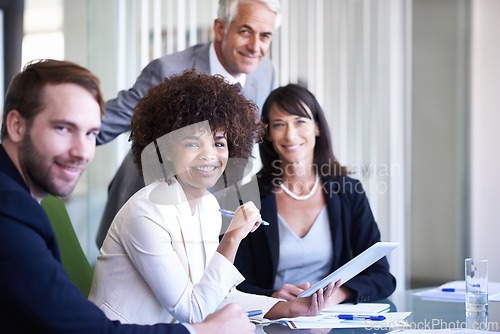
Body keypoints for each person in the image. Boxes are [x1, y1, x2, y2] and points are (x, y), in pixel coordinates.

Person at [0, 59, 255, 334]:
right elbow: (79, 326)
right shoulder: (9, 211)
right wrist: (203, 331)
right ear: (16, 126)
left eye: (91, 134)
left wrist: (282, 306)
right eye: (63, 128)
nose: (82, 152)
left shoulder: (21, 203)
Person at [88, 70, 339, 325]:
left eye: (219, 143)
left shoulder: (207, 205)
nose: (209, 156)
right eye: (193, 143)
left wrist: (288, 307)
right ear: (166, 149)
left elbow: (217, 296)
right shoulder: (146, 212)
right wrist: (232, 237)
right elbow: (193, 310)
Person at [95, 0, 281, 248]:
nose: (255, 46)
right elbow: (109, 120)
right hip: (148, 204)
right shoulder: (169, 69)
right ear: (219, 28)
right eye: (245, 31)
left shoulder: (264, 72)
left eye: (265, 36)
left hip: (204, 213)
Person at [234, 84, 397, 304]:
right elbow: (234, 282)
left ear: (317, 127)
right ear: (269, 134)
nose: (290, 135)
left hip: (330, 318)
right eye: (279, 125)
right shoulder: (247, 197)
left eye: (300, 122)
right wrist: (272, 297)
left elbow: (382, 276)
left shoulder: (349, 192)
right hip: (272, 319)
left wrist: (335, 296)